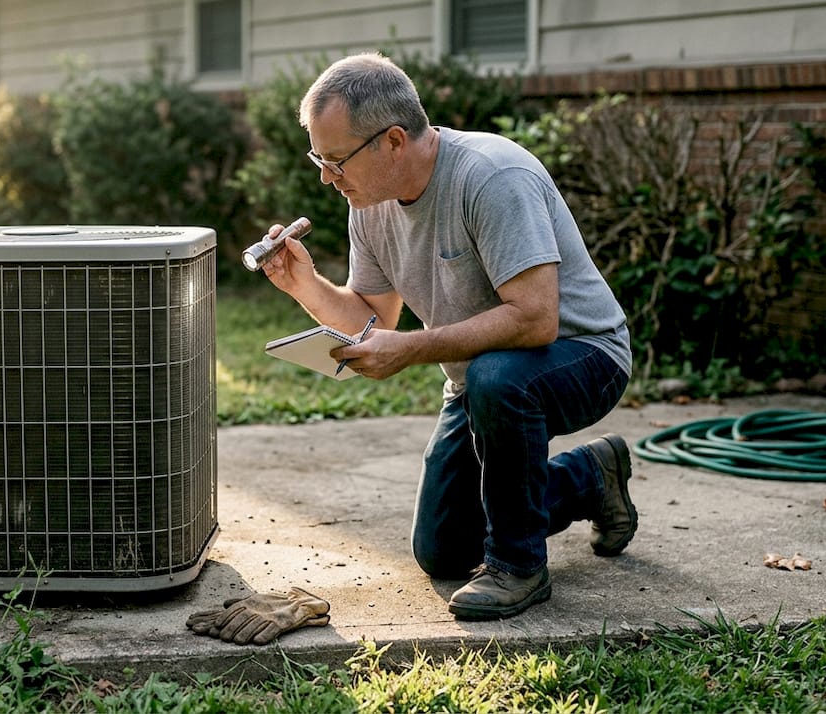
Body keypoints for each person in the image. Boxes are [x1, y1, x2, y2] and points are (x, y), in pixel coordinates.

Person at [257, 52, 637, 620]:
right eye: (320, 157)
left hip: (582, 355)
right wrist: (305, 286)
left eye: (335, 160)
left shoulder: (491, 176)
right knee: (442, 549)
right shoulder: (371, 203)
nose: (325, 176)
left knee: (495, 377)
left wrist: (411, 350)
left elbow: (536, 319)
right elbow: (373, 318)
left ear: (391, 141)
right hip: (485, 375)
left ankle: (518, 568)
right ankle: (589, 478)